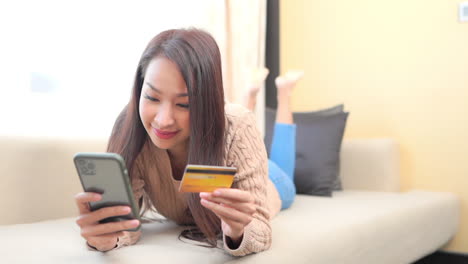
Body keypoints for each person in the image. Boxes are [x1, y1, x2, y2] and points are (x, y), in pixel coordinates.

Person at [73, 28, 299, 257]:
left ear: (206, 102)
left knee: (285, 171)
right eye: (152, 97)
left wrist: (237, 231)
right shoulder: (132, 128)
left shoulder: (238, 124)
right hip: (234, 146)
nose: (162, 121)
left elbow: (260, 228)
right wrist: (109, 237)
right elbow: (125, 224)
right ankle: (250, 94)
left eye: (184, 104)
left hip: (273, 181)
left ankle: (284, 95)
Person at [243, 68, 304, 210]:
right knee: (242, 147)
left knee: (242, 148)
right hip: (272, 182)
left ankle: (280, 92)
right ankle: (256, 96)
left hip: (270, 182)